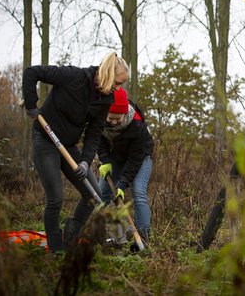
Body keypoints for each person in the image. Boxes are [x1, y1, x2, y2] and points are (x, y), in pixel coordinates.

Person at [22, 52, 129, 253]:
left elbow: (94, 133)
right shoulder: (73, 76)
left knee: (93, 193)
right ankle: (56, 249)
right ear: (107, 74)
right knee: (55, 197)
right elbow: (32, 72)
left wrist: (85, 162)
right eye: (118, 82)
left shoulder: (106, 99)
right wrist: (30, 104)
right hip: (45, 141)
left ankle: (70, 237)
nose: (119, 87)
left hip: (69, 147)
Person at [97, 87, 154, 245]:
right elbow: (99, 140)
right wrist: (105, 161)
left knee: (138, 191)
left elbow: (135, 160)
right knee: (101, 193)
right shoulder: (99, 118)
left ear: (125, 114)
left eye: (118, 118)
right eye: (111, 118)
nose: (114, 122)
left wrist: (122, 185)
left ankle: (143, 237)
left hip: (141, 158)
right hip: (116, 157)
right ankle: (102, 234)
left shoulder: (136, 125)